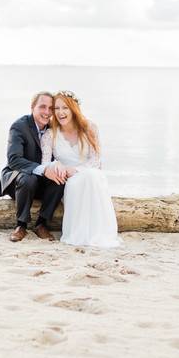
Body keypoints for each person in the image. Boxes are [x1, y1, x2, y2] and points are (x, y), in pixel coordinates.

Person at [40, 91, 121, 248]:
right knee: (87, 178)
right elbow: (44, 163)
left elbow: (96, 160)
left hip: (89, 173)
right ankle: (79, 234)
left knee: (93, 175)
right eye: (56, 108)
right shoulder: (50, 135)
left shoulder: (89, 127)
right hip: (69, 181)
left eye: (65, 108)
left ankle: (99, 234)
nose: (60, 112)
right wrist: (56, 164)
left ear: (73, 109)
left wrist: (76, 170)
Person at [0, 91, 67, 242]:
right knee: (29, 178)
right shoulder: (19, 126)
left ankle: (41, 224)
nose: (47, 112)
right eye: (42, 107)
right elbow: (14, 160)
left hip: (41, 183)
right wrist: (44, 170)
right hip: (19, 180)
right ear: (32, 107)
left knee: (60, 178)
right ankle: (21, 225)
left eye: (50, 108)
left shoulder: (54, 128)